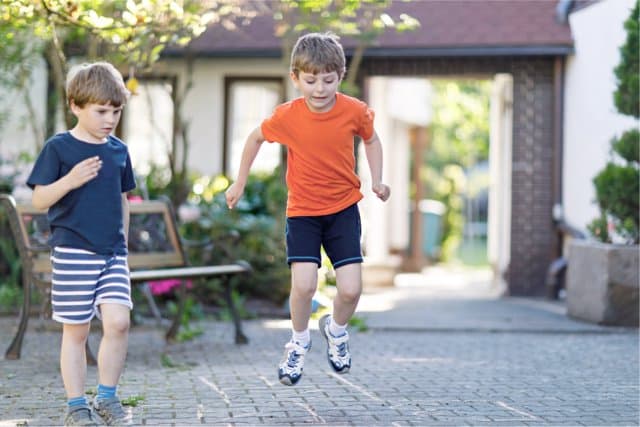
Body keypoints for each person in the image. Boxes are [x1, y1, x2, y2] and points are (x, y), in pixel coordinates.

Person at [225, 32, 391, 386]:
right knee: (303, 285)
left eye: (328, 80)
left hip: (343, 209)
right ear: (295, 78)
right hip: (303, 211)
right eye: (311, 80)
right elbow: (254, 138)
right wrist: (239, 181)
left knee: (351, 290)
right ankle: (298, 343)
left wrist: (377, 179)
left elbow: (372, 139)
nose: (319, 89)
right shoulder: (287, 116)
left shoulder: (354, 111)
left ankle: (336, 330)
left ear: (340, 77)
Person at [27, 62, 136, 426]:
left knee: (118, 322)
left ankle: (107, 397)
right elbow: (39, 200)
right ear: (75, 105)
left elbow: (122, 200)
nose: (110, 119)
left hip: (112, 254)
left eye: (116, 111)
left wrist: (122, 244)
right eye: (101, 111)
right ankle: (76, 405)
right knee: (77, 331)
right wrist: (71, 180)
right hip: (74, 252)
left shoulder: (119, 150)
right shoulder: (59, 148)